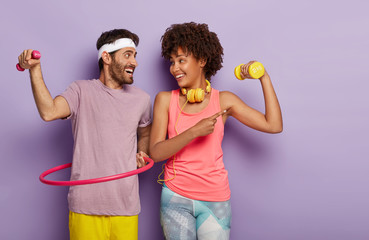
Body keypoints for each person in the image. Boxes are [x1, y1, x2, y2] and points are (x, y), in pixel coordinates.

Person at [149, 22, 283, 240]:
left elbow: (274, 125)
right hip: (175, 197)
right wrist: (194, 131)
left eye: (181, 60)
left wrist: (264, 77)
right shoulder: (164, 100)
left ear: (202, 60)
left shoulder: (224, 100)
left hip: (216, 198)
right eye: (172, 62)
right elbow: (155, 152)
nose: (174, 68)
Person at [17, 29, 152, 240]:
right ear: (106, 57)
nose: (134, 62)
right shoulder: (80, 91)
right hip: (85, 206)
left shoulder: (142, 99)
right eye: (127, 54)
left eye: (135, 56)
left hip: (126, 206)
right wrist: (34, 69)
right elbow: (49, 111)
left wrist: (142, 152)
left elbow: (145, 131)